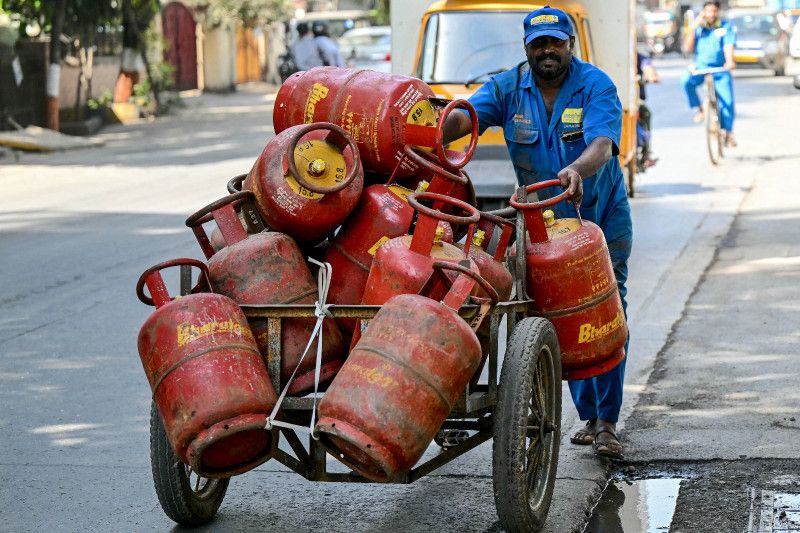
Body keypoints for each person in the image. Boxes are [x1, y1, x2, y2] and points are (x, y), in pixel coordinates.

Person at [442, 6, 632, 460]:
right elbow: (464, 119)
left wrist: (576, 169)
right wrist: (424, 132)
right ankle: (587, 416)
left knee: (603, 307)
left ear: (570, 44)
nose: (548, 50)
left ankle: (606, 421)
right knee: (552, 312)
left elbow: (603, 144)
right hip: (540, 225)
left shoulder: (595, 86)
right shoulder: (509, 87)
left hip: (597, 217)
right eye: (539, 43)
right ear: (527, 48)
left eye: (556, 42)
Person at [681, 1, 737, 147]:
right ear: (704, 12)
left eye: (714, 11)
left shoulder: (725, 27)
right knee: (686, 81)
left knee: (727, 101)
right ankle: (699, 109)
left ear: (717, 12)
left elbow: (728, 46)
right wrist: (693, 28)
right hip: (701, 68)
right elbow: (687, 48)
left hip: (720, 69)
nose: (711, 14)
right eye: (708, 11)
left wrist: (730, 61)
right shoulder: (699, 28)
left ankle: (728, 132)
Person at [637, 52, 659, 170]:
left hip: (635, 101)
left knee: (646, 114)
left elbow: (648, 68)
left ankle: (646, 153)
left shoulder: (639, 58)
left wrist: (652, 76)